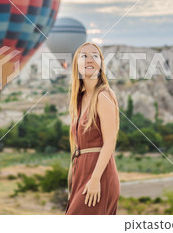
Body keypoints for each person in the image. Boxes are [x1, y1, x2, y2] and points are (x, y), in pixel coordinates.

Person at [65, 42, 120, 215]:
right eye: (84, 56)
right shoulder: (79, 100)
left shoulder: (104, 96)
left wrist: (95, 179)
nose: (90, 59)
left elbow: (110, 142)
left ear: (101, 64)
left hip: (99, 174)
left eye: (95, 56)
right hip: (81, 173)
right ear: (76, 65)